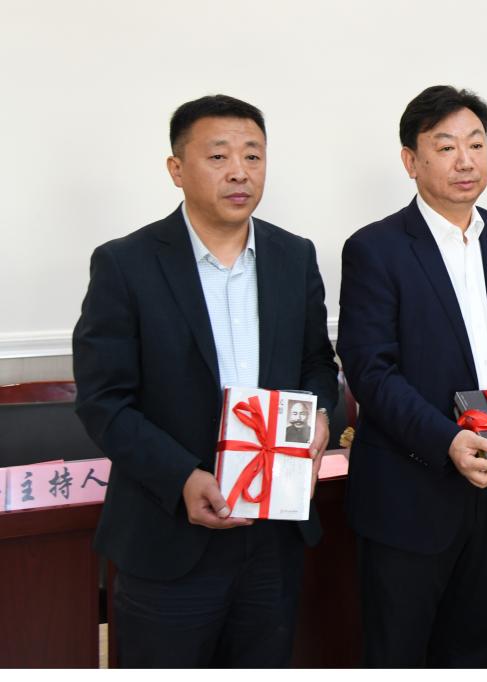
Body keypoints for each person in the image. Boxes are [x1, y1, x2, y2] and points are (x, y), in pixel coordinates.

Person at [73, 94, 338, 667]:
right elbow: (103, 401)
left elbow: (318, 362)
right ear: (176, 169)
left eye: (253, 156)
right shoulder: (126, 264)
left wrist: (319, 416)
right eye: (218, 156)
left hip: (273, 535)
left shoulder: (294, 256)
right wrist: (182, 478)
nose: (240, 171)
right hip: (168, 537)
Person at [336, 85, 487, 667]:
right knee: (399, 655)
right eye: (446, 146)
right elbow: (371, 372)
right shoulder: (375, 248)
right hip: (409, 494)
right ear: (411, 160)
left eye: (476, 144)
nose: (465, 161)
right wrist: (448, 440)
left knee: (475, 650)